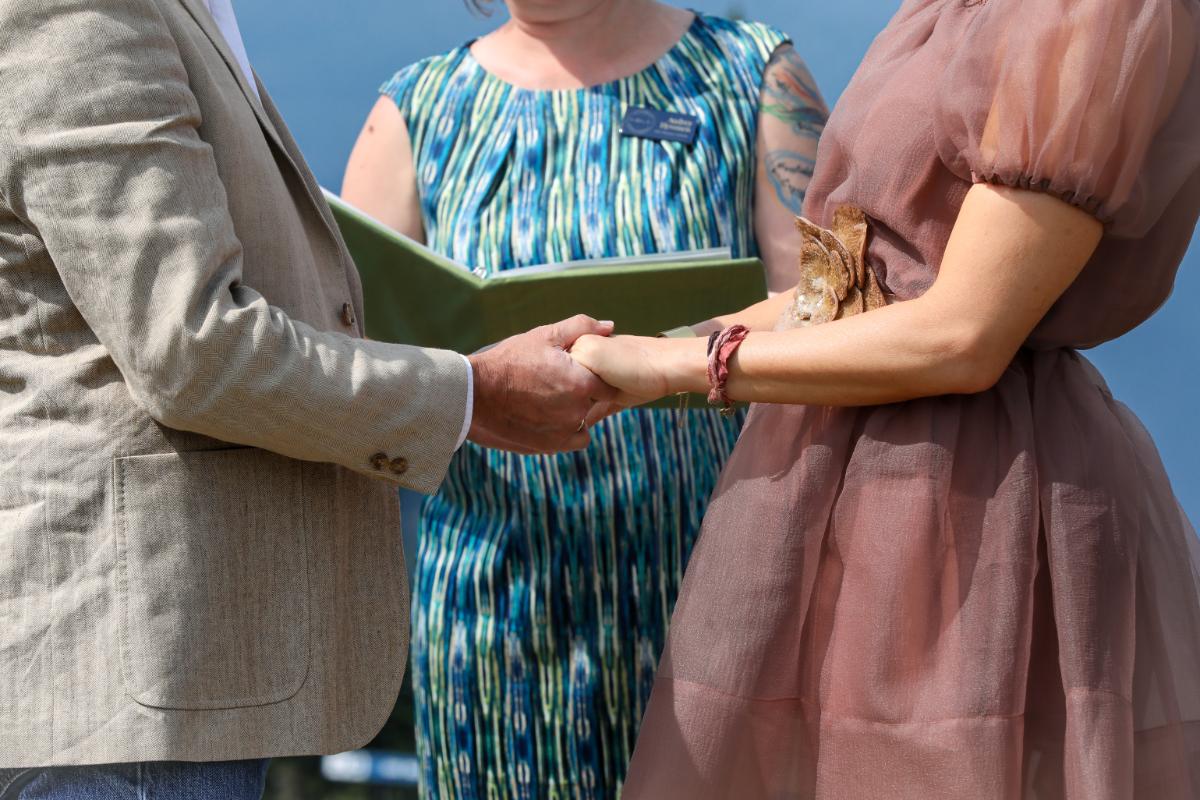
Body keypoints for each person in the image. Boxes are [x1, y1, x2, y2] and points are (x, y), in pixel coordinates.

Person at [570, 0, 1200, 795]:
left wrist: (678, 367)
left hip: (970, 507)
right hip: (822, 496)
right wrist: (627, 355)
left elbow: (963, 334)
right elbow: (844, 293)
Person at [0, 0, 614, 797]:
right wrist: (471, 395)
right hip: (127, 684)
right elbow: (193, 349)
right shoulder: (86, 8)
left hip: (173, 677)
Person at [341, 0, 827, 794]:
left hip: (716, 595)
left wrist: (659, 357)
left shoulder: (751, 73)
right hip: (490, 614)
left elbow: (826, 306)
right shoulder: (415, 111)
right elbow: (361, 371)